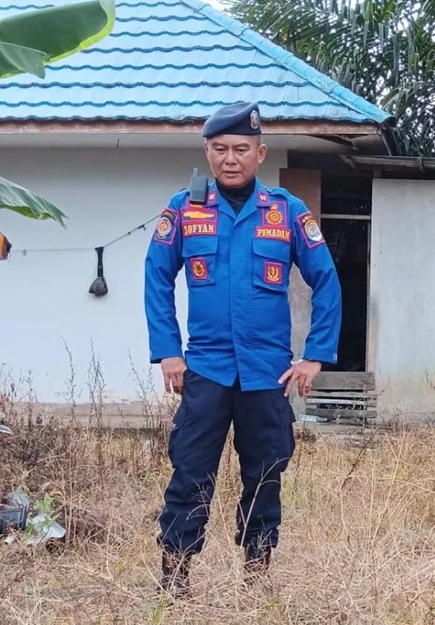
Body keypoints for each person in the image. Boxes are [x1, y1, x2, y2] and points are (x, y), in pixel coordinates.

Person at [144, 101, 342, 594]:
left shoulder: (287, 212)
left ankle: (256, 581)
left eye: (240, 149)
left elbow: (327, 283)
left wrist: (315, 355)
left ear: (260, 153)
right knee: (190, 474)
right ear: (207, 153)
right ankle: (175, 581)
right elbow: (156, 278)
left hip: (266, 374)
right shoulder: (185, 209)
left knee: (266, 475)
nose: (229, 158)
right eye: (219, 149)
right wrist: (169, 351)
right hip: (206, 371)